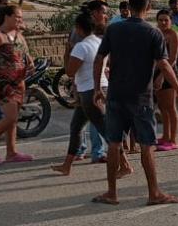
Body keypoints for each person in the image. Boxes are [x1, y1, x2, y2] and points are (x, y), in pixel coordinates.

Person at [90, 0, 178, 206]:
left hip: (115, 95)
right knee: (146, 145)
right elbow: (164, 64)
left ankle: (112, 193)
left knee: (114, 143)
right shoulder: (153, 33)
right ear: (149, 6)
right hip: (141, 98)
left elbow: (99, 60)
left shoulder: (113, 30)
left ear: (129, 4)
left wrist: (97, 88)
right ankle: (154, 193)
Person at [51, 12, 124, 176]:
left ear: (78, 28)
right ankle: (67, 165)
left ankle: (124, 163)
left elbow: (70, 72)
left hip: (89, 92)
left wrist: (68, 51)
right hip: (100, 88)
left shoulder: (81, 46)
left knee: (105, 129)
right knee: (76, 126)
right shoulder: (99, 42)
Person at [0, 5, 35, 165]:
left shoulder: (18, 34)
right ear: (7, 16)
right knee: (11, 117)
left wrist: (30, 62)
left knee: (14, 120)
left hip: (19, 82)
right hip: (4, 83)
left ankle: (11, 152)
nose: (20, 20)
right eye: (17, 17)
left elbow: (25, 53)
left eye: (21, 17)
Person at [154, 9, 178, 151]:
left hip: (170, 73)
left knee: (171, 107)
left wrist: (161, 76)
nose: (163, 23)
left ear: (171, 21)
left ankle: (173, 139)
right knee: (162, 107)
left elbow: (172, 59)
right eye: (160, 20)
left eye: (166, 20)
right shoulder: (157, 34)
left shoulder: (174, 35)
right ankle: (165, 136)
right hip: (157, 72)